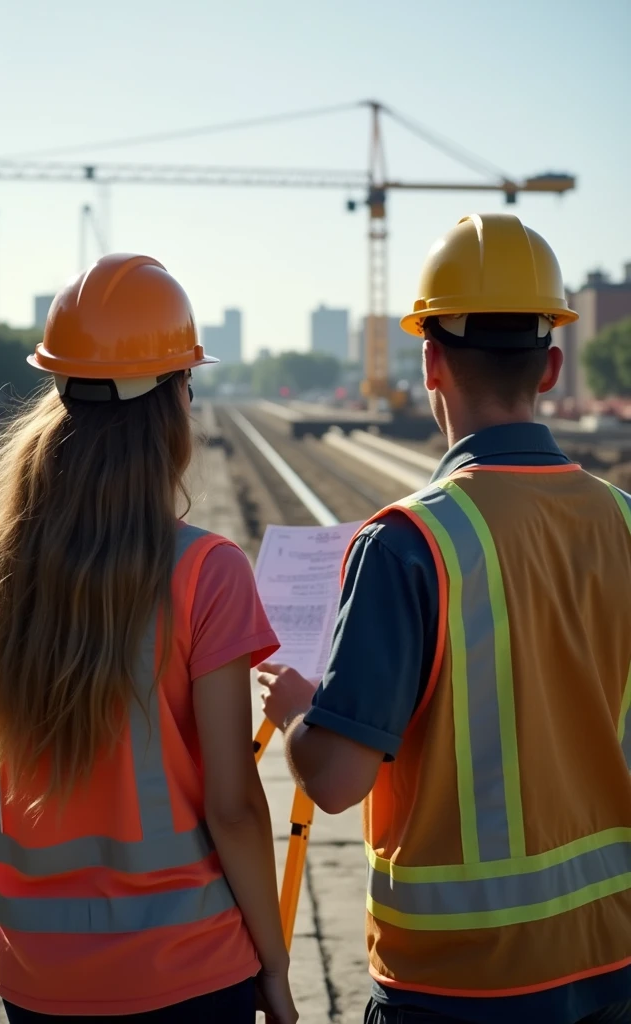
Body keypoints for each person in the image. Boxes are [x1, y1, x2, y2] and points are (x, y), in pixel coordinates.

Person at [259, 213, 631, 1024]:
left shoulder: (408, 544)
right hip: (611, 957)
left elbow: (335, 781)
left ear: (430, 360)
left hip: (459, 983)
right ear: (553, 365)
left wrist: (296, 711)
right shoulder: (626, 523)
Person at [0, 254, 298, 1024]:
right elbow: (233, 809)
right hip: (191, 972)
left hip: (37, 979)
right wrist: (273, 966)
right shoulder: (208, 571)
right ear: (174, 400)